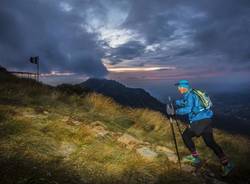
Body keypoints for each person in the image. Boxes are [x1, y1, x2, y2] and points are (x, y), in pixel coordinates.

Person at [173, 79, 234, 176]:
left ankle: (195, 158)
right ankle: (227, 164)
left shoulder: (190, 95)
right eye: (178, 87)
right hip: (207, 120)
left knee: (186, 135)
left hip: (199, 120)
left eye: (179, 87)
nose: (178, 89)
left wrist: (175, 112)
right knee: (210, 143)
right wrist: (176, 102)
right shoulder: (193, 93)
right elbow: (187, 102)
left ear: (184, 87)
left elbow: (188, 108)